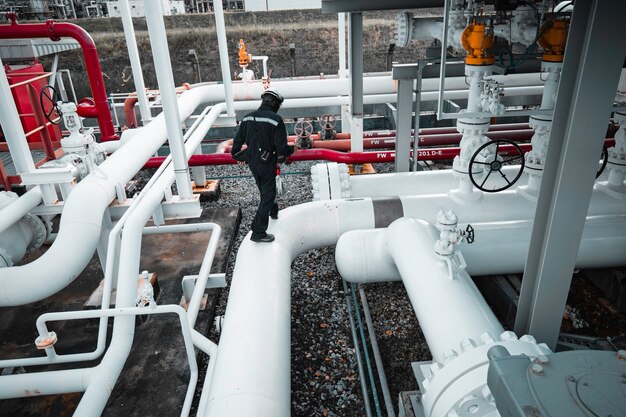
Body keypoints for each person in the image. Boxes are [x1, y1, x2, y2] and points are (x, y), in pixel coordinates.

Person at [232, 88, 295, 243]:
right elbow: (281, 148)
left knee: (264, 190)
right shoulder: (276, 120)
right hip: (267, 163)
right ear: (274, 103)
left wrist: (241, 156)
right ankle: (258, 232)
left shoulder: (247, 118)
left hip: (253, 163)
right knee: (267, 195)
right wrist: (293, 149)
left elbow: (236, 144)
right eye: (278, 104)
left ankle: (272, 210)